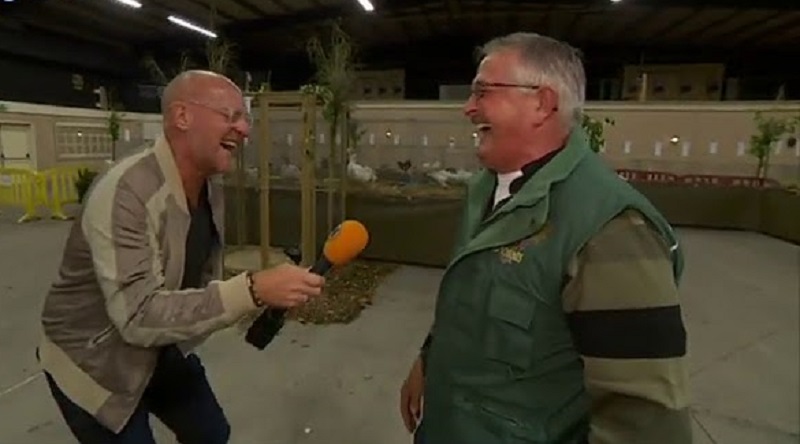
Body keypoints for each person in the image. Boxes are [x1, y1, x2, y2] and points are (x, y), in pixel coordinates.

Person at [399, 33, 692, 444]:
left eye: (482, 92)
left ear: (542, 103)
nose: (468, 108)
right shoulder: (484, 190)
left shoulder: (611, 228)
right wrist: (429, 360)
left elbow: (645, 421)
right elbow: (470, 298)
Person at [37, 70, 325, 444]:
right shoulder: (126, 191)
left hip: (159, 347)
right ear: (182, 116)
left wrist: (269, 292)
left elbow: (191, 279)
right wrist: (252, 289)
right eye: (231, 115)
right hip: (95, 363)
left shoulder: (209, 187)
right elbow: (138, 316)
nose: (244, 130)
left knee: (211, 434)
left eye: (245, 119)